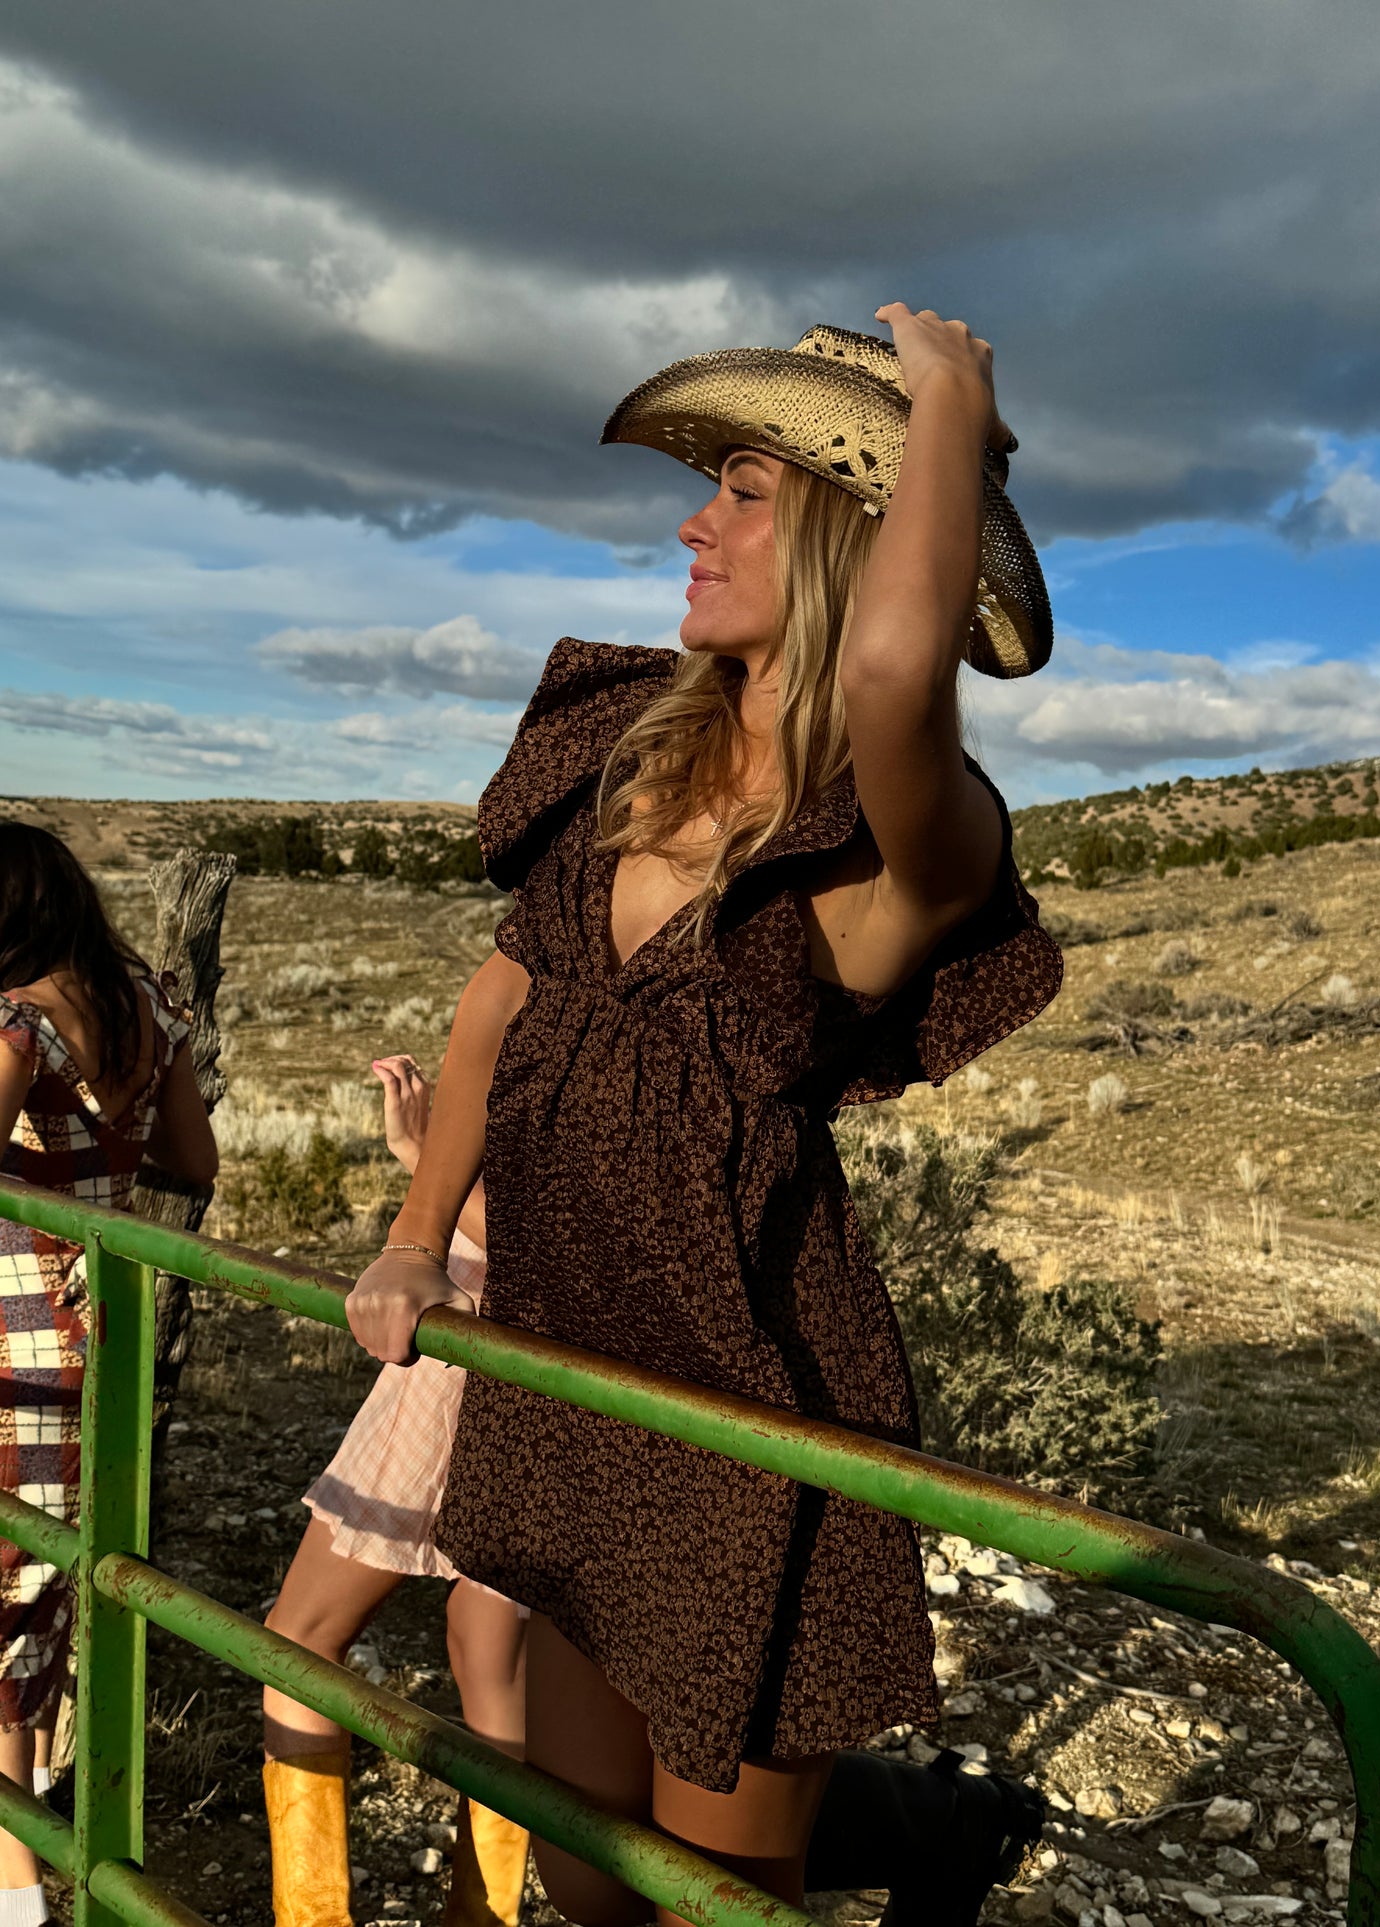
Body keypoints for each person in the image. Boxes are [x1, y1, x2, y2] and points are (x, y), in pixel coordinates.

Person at [346, 305, 1063, 1926]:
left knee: (720, 1903)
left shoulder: (895, 842)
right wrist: (409, 1239)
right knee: (585, 1883)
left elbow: (889, 665)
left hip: (753, 1432)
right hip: (575, 1388)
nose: (693, 521)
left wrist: (945, 397)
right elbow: (498, 1004)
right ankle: (938, 1836)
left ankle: (937, 1837)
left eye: (745, 488)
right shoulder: (628, 763)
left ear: (847, 533)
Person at [0, 823, 218, 1927]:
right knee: (36, 1589)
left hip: (12, 1328)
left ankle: (14, 1886)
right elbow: (196, 1158)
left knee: (4, 1591)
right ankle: (23, 1865)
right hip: (104, 1319)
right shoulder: (147, 1003)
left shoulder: (18, 1020)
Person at [262, 1055, 528, 1927]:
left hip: (466, 1369)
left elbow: (549, 1243)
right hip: (530, 1375)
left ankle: (313, 1919)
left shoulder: (569, 991)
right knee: (490, 1661)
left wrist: (424, 1163)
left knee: (297, 1639)